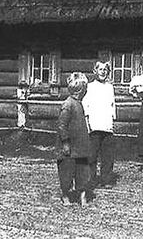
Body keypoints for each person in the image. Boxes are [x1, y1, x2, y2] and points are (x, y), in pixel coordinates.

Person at [56, 72, 91, 207]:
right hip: (69, 147)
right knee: (67, 172)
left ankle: (82, 196)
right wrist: (65, 143)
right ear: (81, 89)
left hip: (81, 145)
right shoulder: (68, 104)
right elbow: (62, 125)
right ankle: (65, 195)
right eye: (85, 88)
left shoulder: (79, 104)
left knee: (83, 171)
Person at [82, 60, 117, 187]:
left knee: (107, 156)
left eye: (105, 70)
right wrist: (87, 124)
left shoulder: (110, 87)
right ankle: (91, 180)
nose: (103, 72)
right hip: (94, 125)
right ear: (95, 71)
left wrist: (112, 121)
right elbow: (86, 106)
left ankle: (106, 180)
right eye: (100, 69)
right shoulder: (90, 87)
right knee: (92, 155)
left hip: (107, 125)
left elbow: (112, 105)